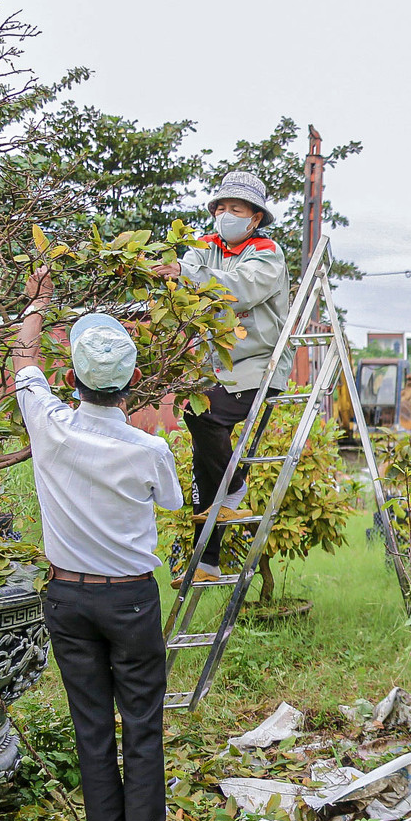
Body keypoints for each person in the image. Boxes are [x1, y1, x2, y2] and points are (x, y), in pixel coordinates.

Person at [12, 266, 205, 821]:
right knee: (142, 727)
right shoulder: (150, 450)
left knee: (91, 727)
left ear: (72, 380)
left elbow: (23, 360)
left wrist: (39, 304)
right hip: (129, 601)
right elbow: (173, 504)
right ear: (135, 385)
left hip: (66, 597)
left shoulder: (49, 423)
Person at [151, 171, 293, 585]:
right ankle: (207, 560)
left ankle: (237, 485)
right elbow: (187, 278)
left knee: (204, 417)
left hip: (261, 366)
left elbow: (240, 289)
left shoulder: (267, 254)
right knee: (203, 459)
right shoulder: (203, 249)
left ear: (254, 219)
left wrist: (185, 274)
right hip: (219, 365)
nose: (226, 215)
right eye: (221, 208)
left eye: (237, 209)